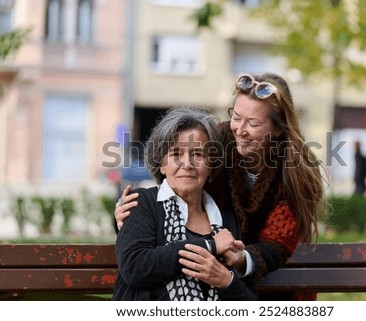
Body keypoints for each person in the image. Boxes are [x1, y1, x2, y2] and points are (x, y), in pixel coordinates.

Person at [115, 72, 326, 300]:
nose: (240, 130)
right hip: (209, 249)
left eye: (253, 123)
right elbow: (173, 189)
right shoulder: (217, 140)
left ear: (277, 129)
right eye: (236, 117)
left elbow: (277, 245)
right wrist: (129, 217)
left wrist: (242, 258)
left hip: (251, 269)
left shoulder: (297, 172)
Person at [113, 106, 257, 301]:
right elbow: (136, 266)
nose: (187, 163)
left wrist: (226, 281)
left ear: (210, 165)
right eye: (176, 154)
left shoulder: (227, 222)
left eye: (197, 154)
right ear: (162, 165)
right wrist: (210, 245)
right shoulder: (142, 203)